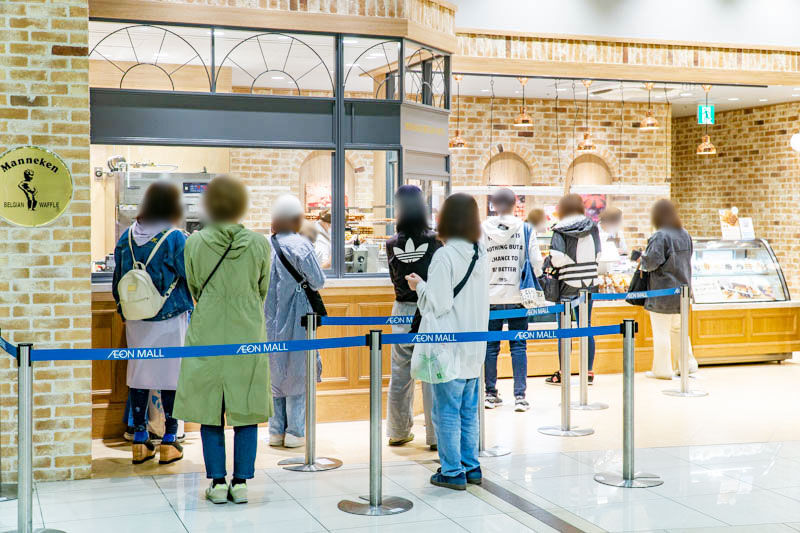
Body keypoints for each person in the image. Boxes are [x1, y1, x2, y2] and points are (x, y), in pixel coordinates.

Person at [173, 176, 272, 505]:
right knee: (246, 407)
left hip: (208, 330)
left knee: (209, 407)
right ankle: (241, 482)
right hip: (248, 330)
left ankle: (217, 482)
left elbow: (194, 286)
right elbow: (262, 288)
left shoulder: (194, 243)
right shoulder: (259, 244)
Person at [406, 193, 489, 491]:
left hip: (449, 345)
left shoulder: (445, 256)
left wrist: (419, 286)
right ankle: (471, 465)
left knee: (447, 410)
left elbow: (438, 304)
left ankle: (452, 470)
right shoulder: (480, 252)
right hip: (475, 344)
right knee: (468, 409)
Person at [112, 181, 192, 466]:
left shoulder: (127, 237)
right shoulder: (174, 237)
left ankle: (140, 439)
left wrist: (125, 311)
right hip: (169, 316)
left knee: (139, 376)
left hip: (136, 318)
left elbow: (118, 280)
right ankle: (170, 439)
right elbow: (189, 275)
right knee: (172, 376)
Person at [265, 195, 326, 449]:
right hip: (298, 317)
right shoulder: (302, 246)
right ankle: (295, 432)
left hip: (268, 317)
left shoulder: (265, 245)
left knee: (274, 371)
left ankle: (275, 431)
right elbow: (318, 281)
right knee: (298, 371)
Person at [385, 185, 441, 449]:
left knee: (400, 373)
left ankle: (398, 431)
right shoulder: (435, 240)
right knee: (431, 371)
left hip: (401, 311)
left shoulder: (391, 243)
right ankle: (435, 436)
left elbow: (394, 278)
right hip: (428, 308)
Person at [482, 188, 542, 411]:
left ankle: (490, 394)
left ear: (493, 205)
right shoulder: (525, 229)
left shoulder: (482, 229)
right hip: (519, 295)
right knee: (518, 346)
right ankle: (520, 397)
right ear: (515, 204)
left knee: (491, 346)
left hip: (490, 295)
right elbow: (536, 262)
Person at [545, 193, 602, 385]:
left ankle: (564, 371)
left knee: (564, 328)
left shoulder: (560, 229)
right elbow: (599, 255)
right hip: (590, 283)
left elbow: (557, 260)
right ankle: (588, 372)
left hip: (568, 285)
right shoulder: (592, 227)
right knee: (586, 326)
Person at [639, 199, 699, 379]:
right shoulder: (684, 234)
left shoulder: (660, 236)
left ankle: (662, 370)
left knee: (661, 332)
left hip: (662, 292)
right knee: (680, 331)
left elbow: (650, 263)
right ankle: (687, 365)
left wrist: (640, 258)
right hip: (683, 292)